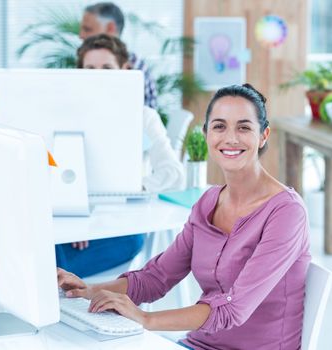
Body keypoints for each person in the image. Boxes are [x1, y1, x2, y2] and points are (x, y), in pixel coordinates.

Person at [58, 83, 311, 349]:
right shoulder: (208, 203)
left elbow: (233, 309)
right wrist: (87, 290)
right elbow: (156, 278)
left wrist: (145, 318)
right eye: (219, 126)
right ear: (206, 134)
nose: (231, 138)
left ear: (263, 136)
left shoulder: (286, 212)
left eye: (244, 127)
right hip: (195, 344)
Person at [55, 34, 184, 277]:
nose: (99, 76)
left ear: (125, 70)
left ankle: (49, 280)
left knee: (130, 240)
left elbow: (174, 174)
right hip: (76, 220)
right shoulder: (69, 116)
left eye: (107, 68)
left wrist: (130, 187)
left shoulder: (144, 117)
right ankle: (51, 281)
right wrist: (78, 222)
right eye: (90, 69)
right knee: (45, 240)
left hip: (122, 223)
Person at [79, 2, 158, 109]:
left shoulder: (134, 66)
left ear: (111, 28)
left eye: (87, 29)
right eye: (90, 68)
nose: (81, 35)